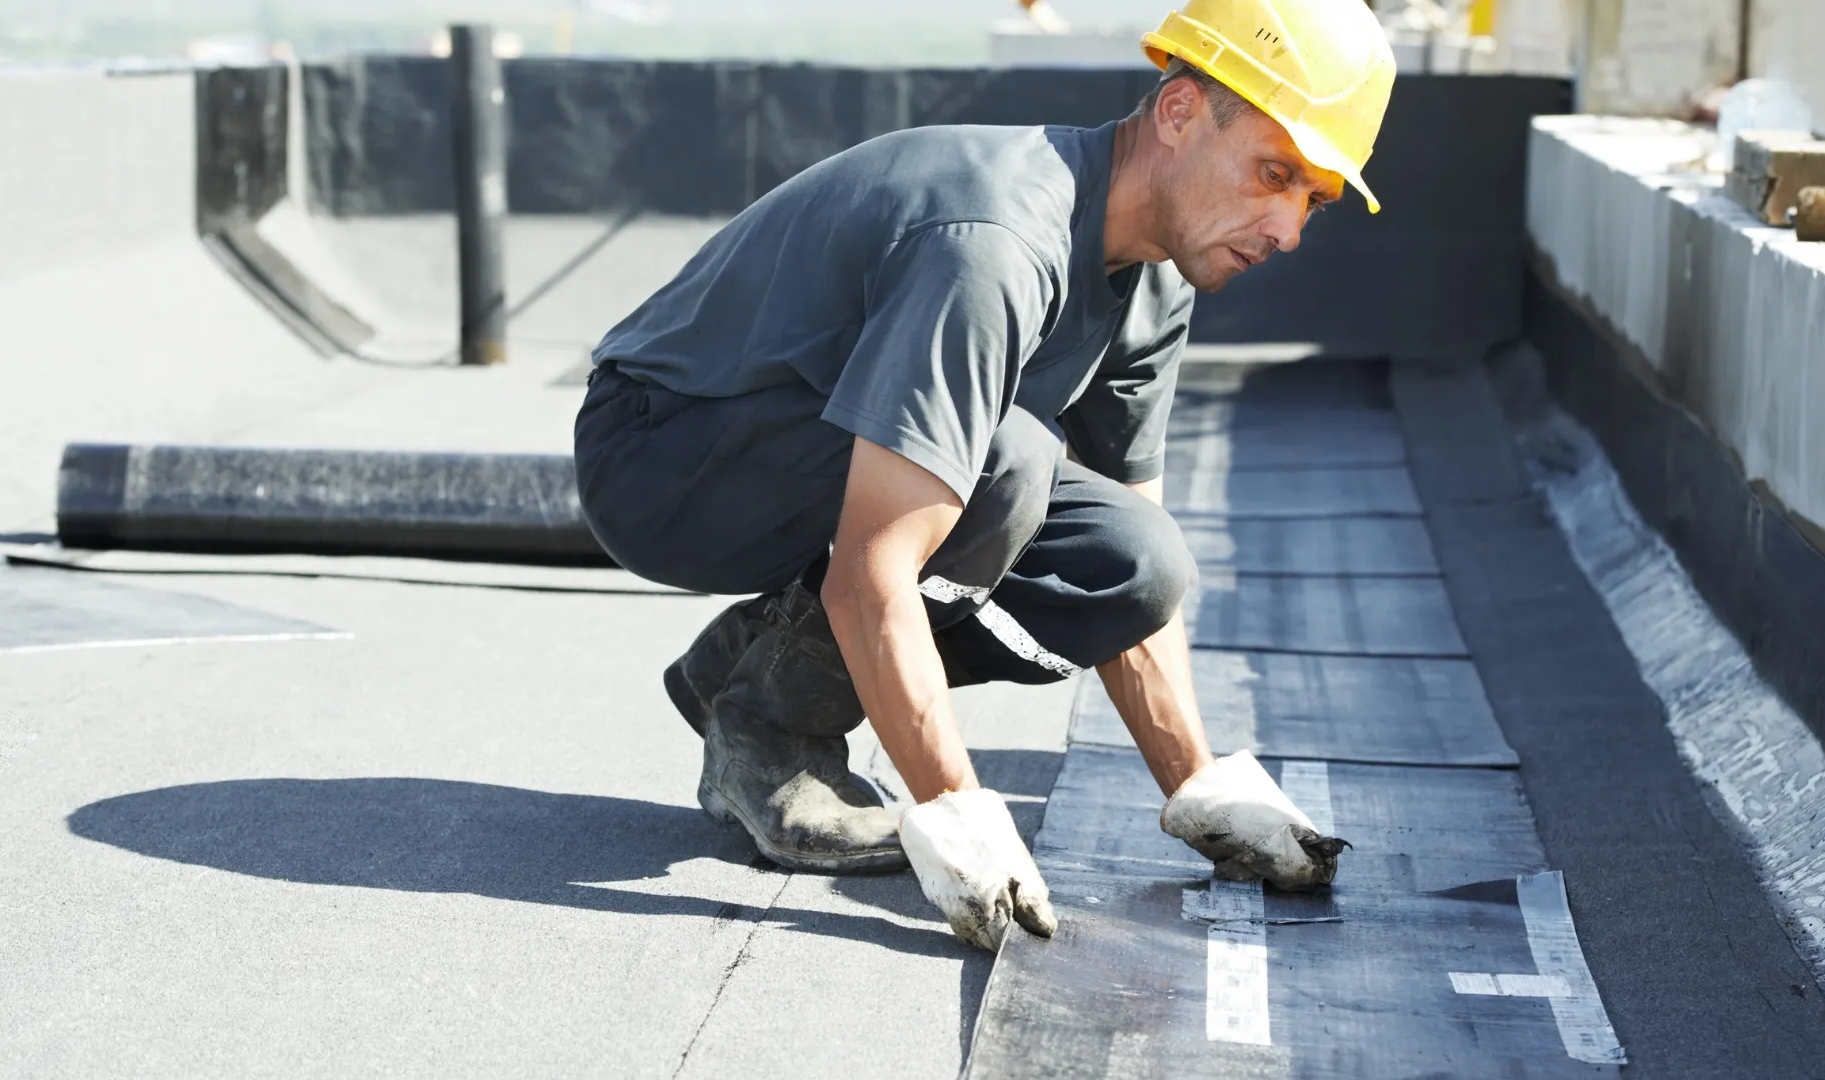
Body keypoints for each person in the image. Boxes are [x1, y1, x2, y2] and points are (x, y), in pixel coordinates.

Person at [574, 0, 1397, 951]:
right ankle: (769, 736)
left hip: (812, 461)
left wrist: (1196, 784)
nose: (1288, 226)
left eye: (1315, 198)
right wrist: (953, 807)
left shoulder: (1159, 271)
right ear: (1177, 114)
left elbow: (1129, 532)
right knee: (1005, 461)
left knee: (1132, 563)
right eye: (1274, 172)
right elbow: (877, 564)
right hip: (666, 453)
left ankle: (750, 667)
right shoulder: (998, 241)